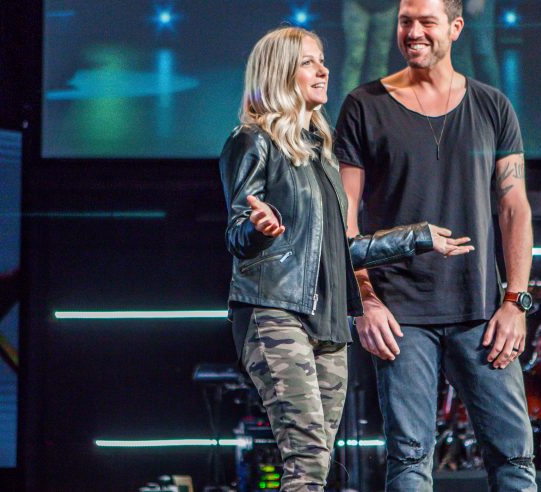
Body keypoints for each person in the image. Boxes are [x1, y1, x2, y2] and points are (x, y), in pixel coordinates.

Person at [219, 26, 474, 491]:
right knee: (307, 459)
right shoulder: (253, 141)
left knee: (318, 462)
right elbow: (238, 232)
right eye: (308, 62)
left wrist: (416, 238)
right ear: (279, 74)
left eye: (322, 60)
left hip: (330, 322)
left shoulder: (322, 153)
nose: (323, 70)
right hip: (275, 311)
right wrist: (257, 228)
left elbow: (340, 251)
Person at [334, 0, 537, 490]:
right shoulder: (364, 105)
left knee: (514, 460)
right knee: (409, 463)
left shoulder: (492, 106)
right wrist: (365, 301)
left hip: (481, 312)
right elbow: (345, 217)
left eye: (427, 21)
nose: (414, 32)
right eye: (406, 21)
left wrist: (515, 302)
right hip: (399, 316)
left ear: (456, 27)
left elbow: (514, 208)